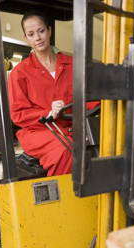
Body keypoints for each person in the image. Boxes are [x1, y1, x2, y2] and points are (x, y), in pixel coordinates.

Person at [8, 10, 99, 176]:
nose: (37, 37)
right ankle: (62, 199)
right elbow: (18, 114)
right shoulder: (20, 73)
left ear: (49, 31)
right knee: (68, 150)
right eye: (31, 34)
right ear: (26, 38)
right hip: (37, 131)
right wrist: (48, 113)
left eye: (41, 31)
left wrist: (109, 101)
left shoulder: (73, 64)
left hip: (71, 127)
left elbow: (89, 99)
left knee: (109, 145)